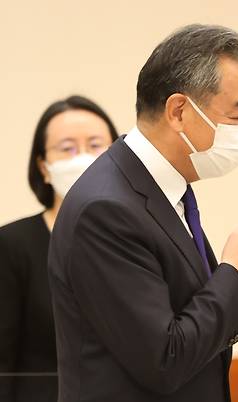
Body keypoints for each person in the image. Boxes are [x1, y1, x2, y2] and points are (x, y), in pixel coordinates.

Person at [47, 24, 238, 402]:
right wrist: (233, 274)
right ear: (179, 110)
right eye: (235, 117)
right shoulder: (106, 209)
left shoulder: (162, 191)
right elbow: (165, 359)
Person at [0, 95, 118, 402]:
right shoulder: (12, 245)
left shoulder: (135, 239)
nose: (82, 157)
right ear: (44, 166)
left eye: (95, 145)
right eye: (67, 148)